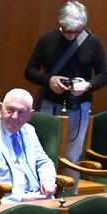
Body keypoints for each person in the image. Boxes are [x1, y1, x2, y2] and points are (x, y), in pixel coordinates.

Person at [25, 1, 107, 184]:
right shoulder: (47, 39)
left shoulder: (93, 42)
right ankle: (40, 193)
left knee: (72, 155)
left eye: (76, 31)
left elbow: (104, 74)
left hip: (79, 105)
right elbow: (29, 70)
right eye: (66, 31)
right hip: (48, 103)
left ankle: (69, 196)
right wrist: (49, 80)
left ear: (83, 26)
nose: (71, 36)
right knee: (42, 150)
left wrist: (88, 85)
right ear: (59, 23)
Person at [0, 88, 57, 203]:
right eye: (10, 110)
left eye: (21, 112)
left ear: (30, 115)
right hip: (7, 201)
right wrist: (21, 198)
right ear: (1, 108)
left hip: (39, 196)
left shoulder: (29, 131)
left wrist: (48, 181)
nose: (14, 116)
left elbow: (43, 161)